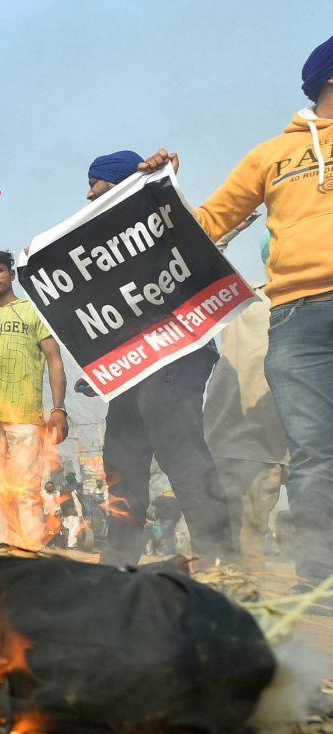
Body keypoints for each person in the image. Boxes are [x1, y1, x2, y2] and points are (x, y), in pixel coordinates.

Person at [141, 36, 333, 584]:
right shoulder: (271, 155)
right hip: (298, 318)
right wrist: (161, 187)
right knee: (316, 452)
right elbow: (207, 226)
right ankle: (320, 584)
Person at [82, 150, 234, 569]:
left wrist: (163, 185)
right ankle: (119, 556)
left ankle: (217, 552)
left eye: (95, 183)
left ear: (116, 183)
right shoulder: (96, 247)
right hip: (132, 363)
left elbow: (194, 235)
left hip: (177, 350)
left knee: (179, 447)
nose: (88, 192)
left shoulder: (161, 218)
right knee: (121, 457)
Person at [0, 250, 67, 548]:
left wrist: (59, 408)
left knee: (26, 489)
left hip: (25, 414)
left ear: (11, 275)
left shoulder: (34, 311)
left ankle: (31, 553)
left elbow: (54, 359)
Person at [204, 231, 289, 561]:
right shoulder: (242, 298)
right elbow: (202, 263)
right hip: (247, 438)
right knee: (243, 541)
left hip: (295, 439)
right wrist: (227, 229)